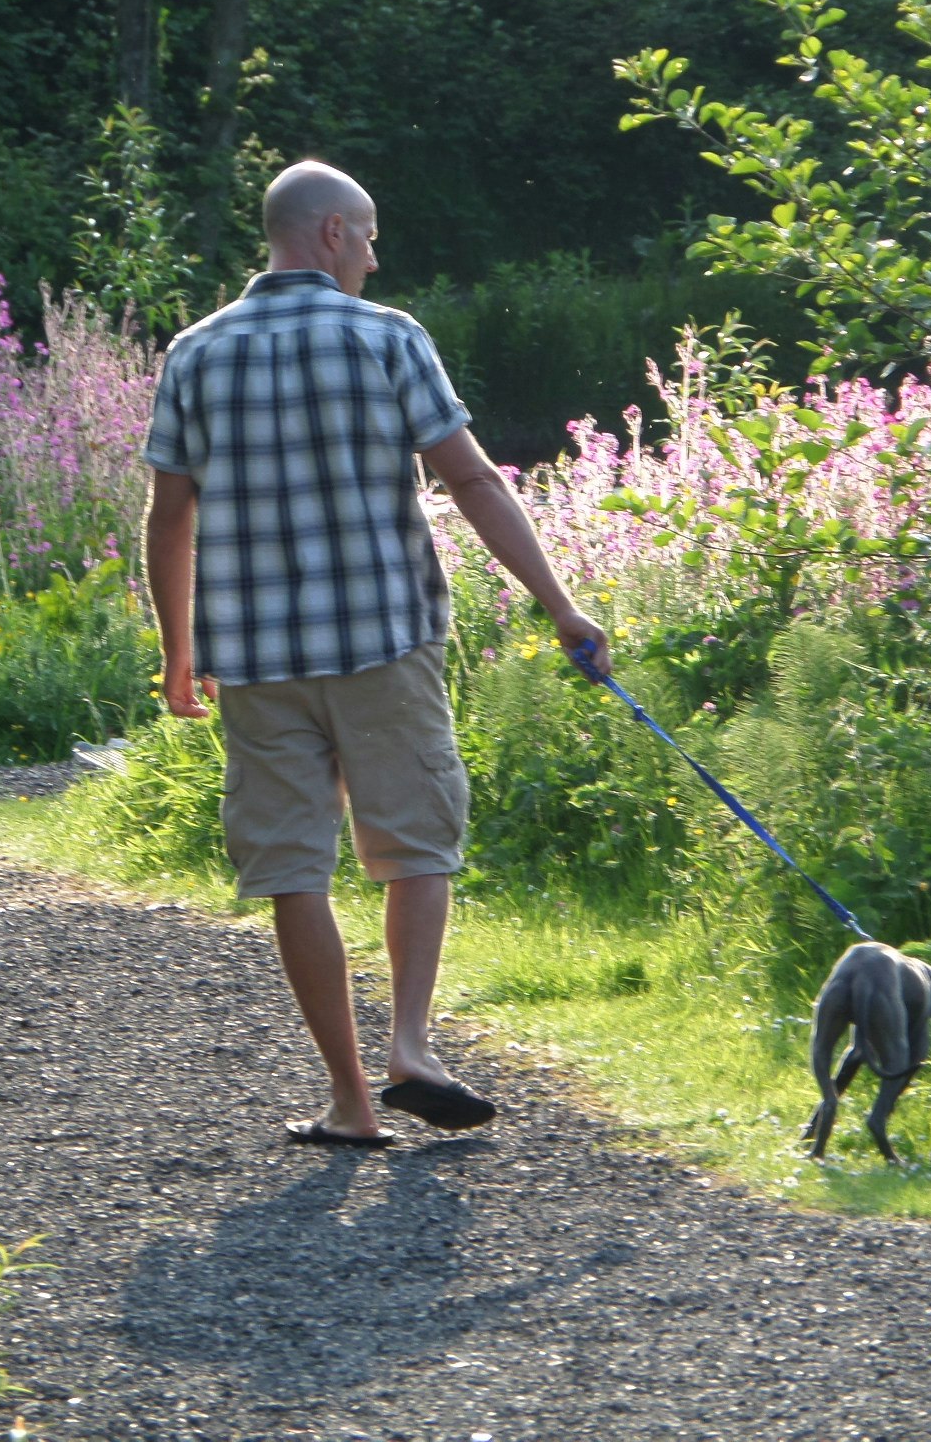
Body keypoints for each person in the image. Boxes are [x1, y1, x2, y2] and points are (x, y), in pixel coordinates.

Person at [142, 160, 611, 1147]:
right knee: (415, 841)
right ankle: (408, 1042)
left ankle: (351, 1102)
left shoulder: (194, 351)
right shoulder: (388, 337)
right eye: (366, 234)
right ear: (327, 236)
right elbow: (475, 482)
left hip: (257, 659)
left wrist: (176, 651)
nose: (373, 252)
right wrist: (562, 608)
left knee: (292, 868)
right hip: (384, 642)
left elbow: (168, 511)